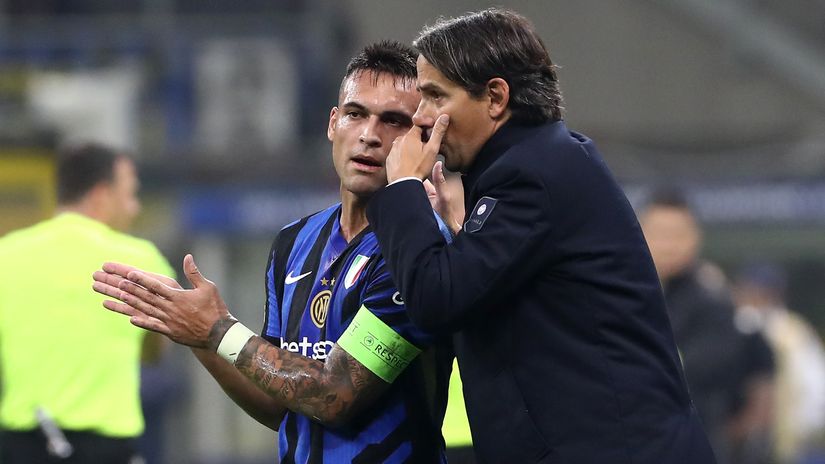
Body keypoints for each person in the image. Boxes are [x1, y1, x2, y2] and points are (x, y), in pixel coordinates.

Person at [363, 7, 717, 464]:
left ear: (495, 97)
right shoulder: (541, 161)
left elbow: (435, 300)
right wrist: (457, 234)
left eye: (434, 96)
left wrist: (404, 189)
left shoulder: (530, 175)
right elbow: (499, 299)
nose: (421, 119)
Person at [93, 41, 454, 463]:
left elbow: (334, 396)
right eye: (356, 114)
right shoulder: (293, 242)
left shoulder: (416, 248)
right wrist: (195, 334)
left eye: (394, 121)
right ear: (333, 123)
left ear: (421, 139)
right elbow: (281, 400)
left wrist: (217, 330)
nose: (370, 136)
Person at [0, 143, 173, 464]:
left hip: (20, 445)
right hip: (104, 448)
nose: (134, 208)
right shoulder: (141, 260)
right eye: (130, 194)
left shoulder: (5, 254)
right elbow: (156, 349)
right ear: (100, 194)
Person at [640, 189, 775, 464]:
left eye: (677, 234)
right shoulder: (626, 297)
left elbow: (703, 375)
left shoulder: (714, 301)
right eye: (657, 233)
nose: (667, 245)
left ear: (695, 238)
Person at [734, 263, 825, 464]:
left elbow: (815, 386)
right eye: (751, 291)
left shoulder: (793, 331)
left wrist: (800, 430)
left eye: (764, 292)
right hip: (735, 432)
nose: (757, 297)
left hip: (783, 436)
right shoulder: (731, 326)